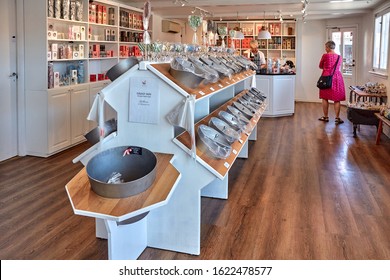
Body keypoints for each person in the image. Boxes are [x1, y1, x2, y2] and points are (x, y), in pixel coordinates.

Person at [318, 40, 346, 124]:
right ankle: (337, 118)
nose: (325, 49)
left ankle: (326, 117)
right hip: (337, 78)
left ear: (328, 47)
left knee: (324, 97)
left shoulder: (325, 56)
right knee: (337, 98)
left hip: (326, 78)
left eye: (325, 47)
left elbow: (320, 66)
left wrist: (326, 68)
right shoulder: (339, 57)